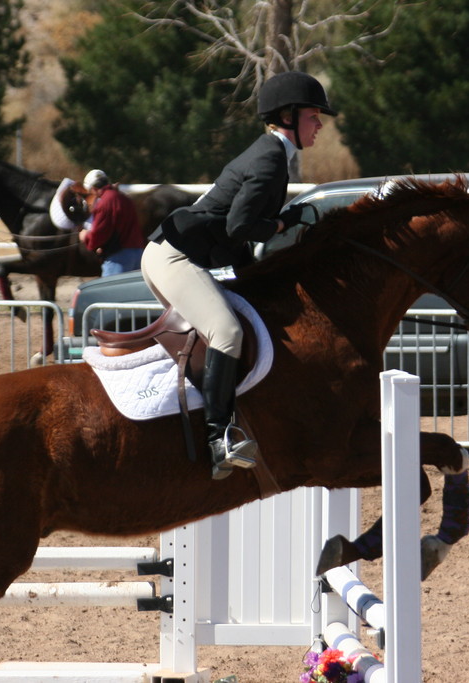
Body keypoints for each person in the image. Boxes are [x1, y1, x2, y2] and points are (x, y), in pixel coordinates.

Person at [141, 71, 335, 479]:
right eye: (314, 116)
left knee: (245, 322)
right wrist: (283, 225)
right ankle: (219, 440)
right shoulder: (269, 158)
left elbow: (239, 235)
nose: (319, 124)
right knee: (226, 332)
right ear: (288, 116)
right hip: (174, 258)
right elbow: (239, 227)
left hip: (181, 252)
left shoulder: (272, 154)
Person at [78, 169, 146, 275]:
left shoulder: (105, 202)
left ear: (94, 189)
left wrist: (86, 236)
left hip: (119, 258)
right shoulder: (125, 198)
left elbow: (99, 233)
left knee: (111, 291)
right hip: (138, 254)